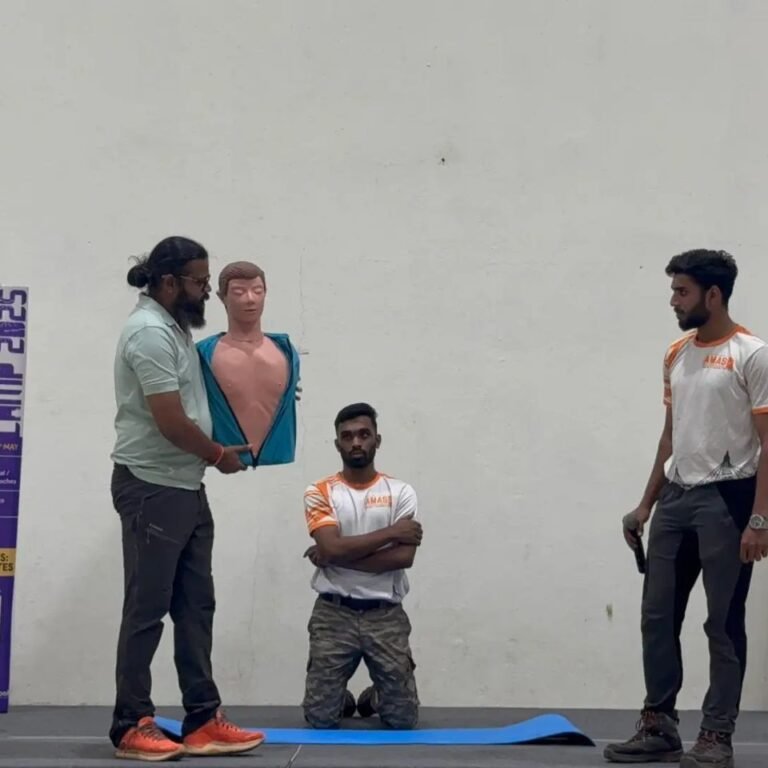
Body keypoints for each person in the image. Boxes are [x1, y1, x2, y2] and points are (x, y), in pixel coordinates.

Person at [604, 250, 768, 768]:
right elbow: (670, 435)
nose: (673, 301)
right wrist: (645, 504)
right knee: (657, 616)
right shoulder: (676, 352)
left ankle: (717, 734)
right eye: (674, 291)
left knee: (721, 622)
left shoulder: (752, 354)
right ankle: (659, 726)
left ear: (712, 295)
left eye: (682, 292)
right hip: (676, 498)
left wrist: (760, 519)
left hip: (728, 498)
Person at [110, 236, 264, 762]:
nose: (206, 291)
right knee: (147, 609)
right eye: (201, 282)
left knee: (196, 607)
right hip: (152, 487)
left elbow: (204, 399)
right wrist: (219, 453)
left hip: (183, 486)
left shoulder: (174, 328)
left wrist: (265, 403)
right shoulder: (149, 334)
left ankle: (202, 719)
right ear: (170, 281)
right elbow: (171, 421)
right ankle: (131, 724)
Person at [301, 403, 422, 730]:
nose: (356, 442)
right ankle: (337, 696)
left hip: (385, 613)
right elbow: (332, 546)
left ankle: (376, 697)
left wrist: (335, 555)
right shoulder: (320, 491)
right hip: (333, 614)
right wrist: (391, 533)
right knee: (320, 719)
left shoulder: (400, 492)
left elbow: (403, 558)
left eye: (364, 435)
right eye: (348, 436)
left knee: (403, 721)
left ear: (377, 441)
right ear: (338, 443)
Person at [197, 261, 301, 468]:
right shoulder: (203, 354)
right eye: (238, 292)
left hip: (279, 458)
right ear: (222, 297)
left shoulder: (286, 351)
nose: (250, 299)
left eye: (257, 291)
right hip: (226, 460)